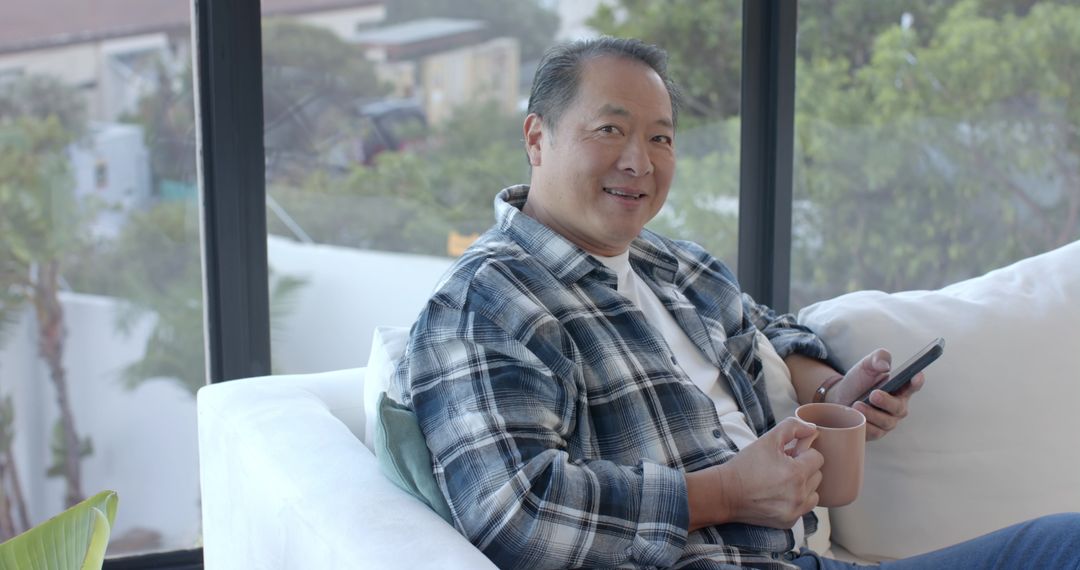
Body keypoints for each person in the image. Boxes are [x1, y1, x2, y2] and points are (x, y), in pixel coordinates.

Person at [391, 37, 1080, 569]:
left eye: (661, 137)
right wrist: (726, 492)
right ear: (537, 138)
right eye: (610, 130)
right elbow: (517, 513)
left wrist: (835, 394)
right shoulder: (484, 302)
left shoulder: (676, 264)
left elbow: (772, 332)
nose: (640, 159)